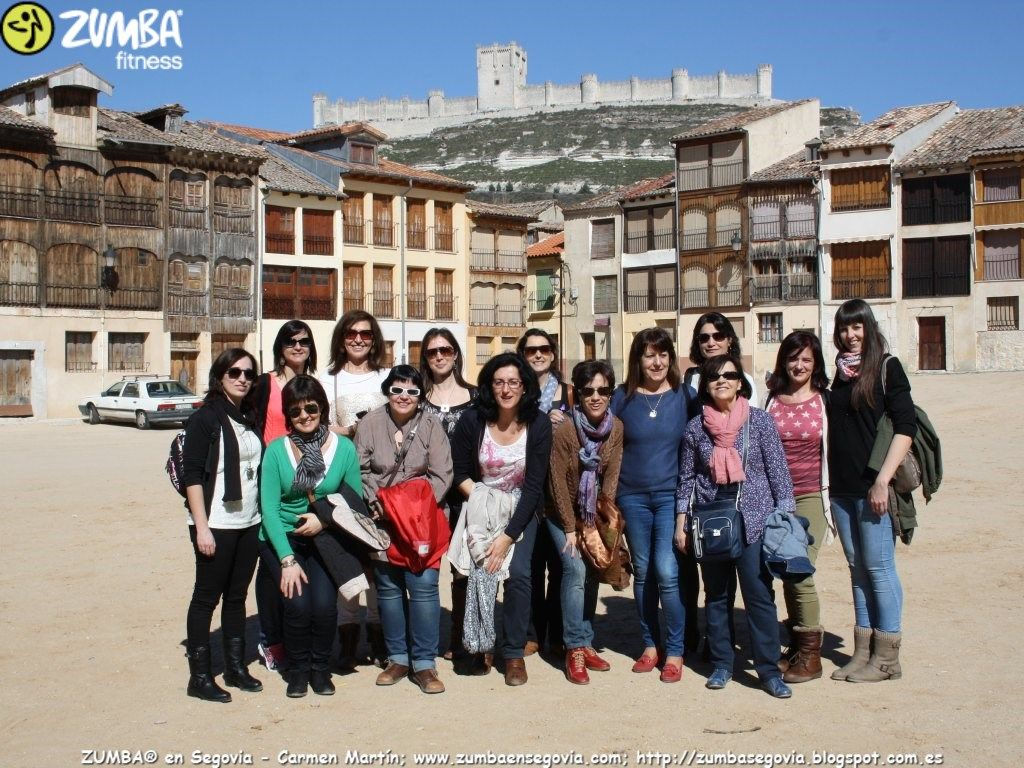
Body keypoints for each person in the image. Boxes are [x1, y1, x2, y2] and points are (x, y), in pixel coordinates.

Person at [675, 354, 796, 699]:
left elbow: (778, 473)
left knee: (759, 597)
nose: (722, 380)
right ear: (705, 386)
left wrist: (785, 517)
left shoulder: (760, 422)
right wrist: (681, 521)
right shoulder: (695, 428)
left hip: (754, 520)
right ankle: (723, 664)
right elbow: (686, 478)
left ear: (740, 382)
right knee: (717, 596)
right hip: (711, 522)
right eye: (714, 376)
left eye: (729, 374)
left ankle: (769, 670)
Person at [451, 352, 553, 686]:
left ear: (524, 386)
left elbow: (535, 485)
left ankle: (512, 653)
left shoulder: (537, 423)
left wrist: (508, 535)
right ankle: (477, 645)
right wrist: (486, 504)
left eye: (513, 382)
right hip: (479, 504)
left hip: (522, 509)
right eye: (498, 382)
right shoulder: (472, 420)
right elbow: (461, 473)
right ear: (489, 385)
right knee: (475, 571)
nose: (506, 389)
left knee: (519, 574)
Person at [827, 299, 916, 683]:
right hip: (843, 488)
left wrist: (883, 480)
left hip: (872, 488)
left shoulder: (886, 367)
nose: (850, 335)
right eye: (844, 328)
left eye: (857, 327)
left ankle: (887, 658)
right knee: (857, 570)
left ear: (869, 327)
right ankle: (862, 652)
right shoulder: (840, 374)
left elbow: (905, 426)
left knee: (879, 569)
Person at [259, 375, 362, 698]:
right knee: (298, 604)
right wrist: (287, 560)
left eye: (311, 408)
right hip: (284, 539)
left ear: (323, 409)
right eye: (296, 411)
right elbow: (270, 509)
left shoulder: (343, 449)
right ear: (288, 416)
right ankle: (298, 669)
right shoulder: (277, 452)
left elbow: (352, 498)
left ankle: (321, 668)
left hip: (325, 536)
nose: (304, 416)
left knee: (323, 605)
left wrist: (323, 521)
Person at [356, 365, 454, 694]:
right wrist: (377, 504)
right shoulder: (369, 424)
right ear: (388, 391)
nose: (404, 397)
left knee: (424, 588)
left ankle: (424, 663)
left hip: (422, 522)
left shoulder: (431, 425)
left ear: (420, 396)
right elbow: (360, 470)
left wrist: (411, 509)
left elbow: (442, 474)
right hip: (381, 520)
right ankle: (397, 657)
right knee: (388, 590)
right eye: (397, 390)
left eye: (412, 391)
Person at [609, 328, 694, 683]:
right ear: (637, 360)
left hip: (670, 497)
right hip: (631, 496)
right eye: (649, 355)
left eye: (663, 354)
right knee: (643, 571)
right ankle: (649, 646)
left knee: (667, 571)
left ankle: (675, 651)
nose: (657, 362)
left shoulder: (684, 396)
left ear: (671, 358)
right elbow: (597, 430)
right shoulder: (621, 398)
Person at [181, 349, 263, 703]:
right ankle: (199, 677)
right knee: (206, 598)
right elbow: (193, 476)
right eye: (234, 372)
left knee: (237, 597)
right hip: (215, 522)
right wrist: (202, 528)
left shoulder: (248, 415)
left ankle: (234, 667)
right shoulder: (206, 418)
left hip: (249, 521)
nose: (242, 378)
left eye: (248, 374)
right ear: (219, 377)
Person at [320, 310, 391, 668]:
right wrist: (348, 431)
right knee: (346, 562)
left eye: (365, 333)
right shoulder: (328, 379)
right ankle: (347, 640)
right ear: (342, 338)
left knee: (379, 562)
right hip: (344, 482)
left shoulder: (387, 377)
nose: (359, 339)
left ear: (374, 338)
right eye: (351, 333)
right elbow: (319, 431)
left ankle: (379, 639)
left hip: (380, 483)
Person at [547, 360, 623, 684]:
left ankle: (587, 639)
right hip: (559, 512)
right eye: (588, 390)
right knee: (576, 568)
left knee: (594, 569)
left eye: (603, 390)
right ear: (577, 393)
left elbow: (612, 475)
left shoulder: (616, 428)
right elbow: (557, 482)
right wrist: (569, 527)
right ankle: (574, 646)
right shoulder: (566, 428)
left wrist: (602, 523)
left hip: (591, 511)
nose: (596, 396)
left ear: (610, 393)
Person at [764, 332, 833, 683]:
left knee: (800, 570)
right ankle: (796, 647)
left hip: (811, 496)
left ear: (816, 363)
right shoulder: (772, 400)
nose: (799, 365)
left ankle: (811, 657)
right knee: (784, 572)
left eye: (806, 359)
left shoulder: (825, 401)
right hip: (777, 499)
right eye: (793, 358)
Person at [250, 320, 318, 672]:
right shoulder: (265, 383)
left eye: (303, 340)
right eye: (290, 341)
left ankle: (305, 640)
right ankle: (271, 639)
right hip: (271, 473)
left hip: (309, 482)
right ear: (280, 346)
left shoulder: (315, 384)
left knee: (311, 561)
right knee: (270, 565)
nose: (297, 346)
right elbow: (249, 423)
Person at [418, 328, 477, 662]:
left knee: (463, 570)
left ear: (455, 354)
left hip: (465, 495)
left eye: (445, 349)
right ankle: (422, 644)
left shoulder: (477, 396)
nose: (439, 356)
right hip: (427, 497)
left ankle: (460, 639)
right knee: (425, 569)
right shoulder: (415, 397)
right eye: (431, 352)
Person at [516, 329, 566, 657]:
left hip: (561, 491)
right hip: (526, 489)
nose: (538, 354)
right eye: (531, 349)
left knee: (561, 566)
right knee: (531, 566)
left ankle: (559, 634)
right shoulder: (515, 395)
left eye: (544, 348)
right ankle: (532, 632)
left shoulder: (571, 393)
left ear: (552, 353)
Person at [684, 312, 760, 406]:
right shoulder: (688, 379)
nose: (711, 343)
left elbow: (750, 418)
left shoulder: (744, 379)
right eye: (704, 338)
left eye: (718, 336)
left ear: (729, 341)